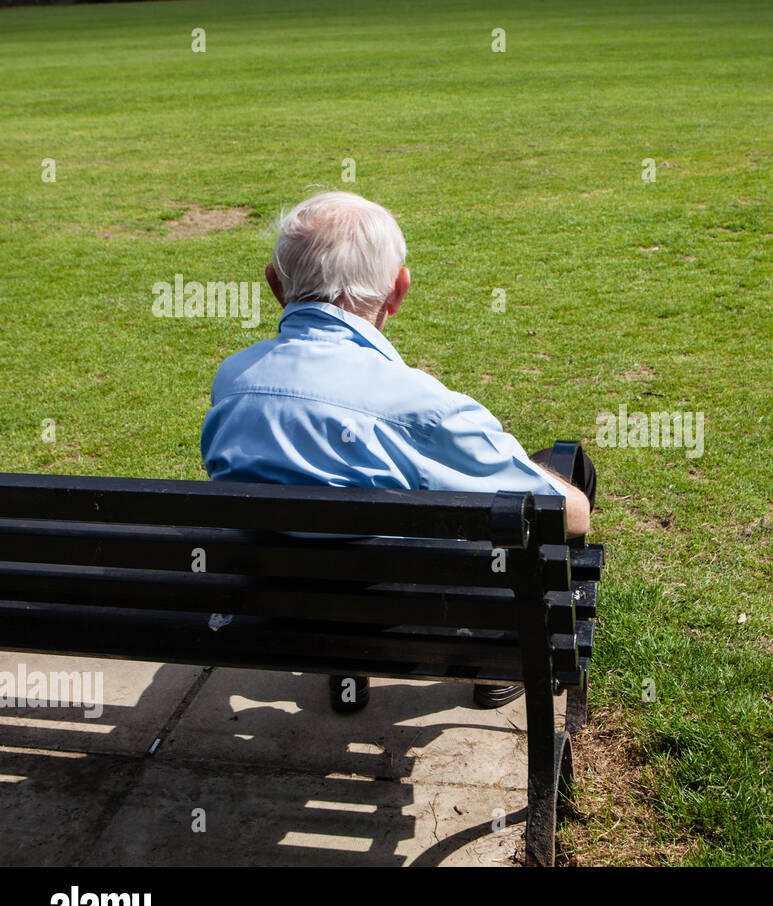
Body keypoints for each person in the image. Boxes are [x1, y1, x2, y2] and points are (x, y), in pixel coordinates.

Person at [200, 191, 595, 712]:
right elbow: (569, 517)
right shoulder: (419, 405)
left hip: (275, 604)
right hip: (400, 612)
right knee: (568, 472)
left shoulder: (233, 381)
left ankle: (346, 665)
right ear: (398, 289)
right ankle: (502, 656)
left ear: (275, 284)